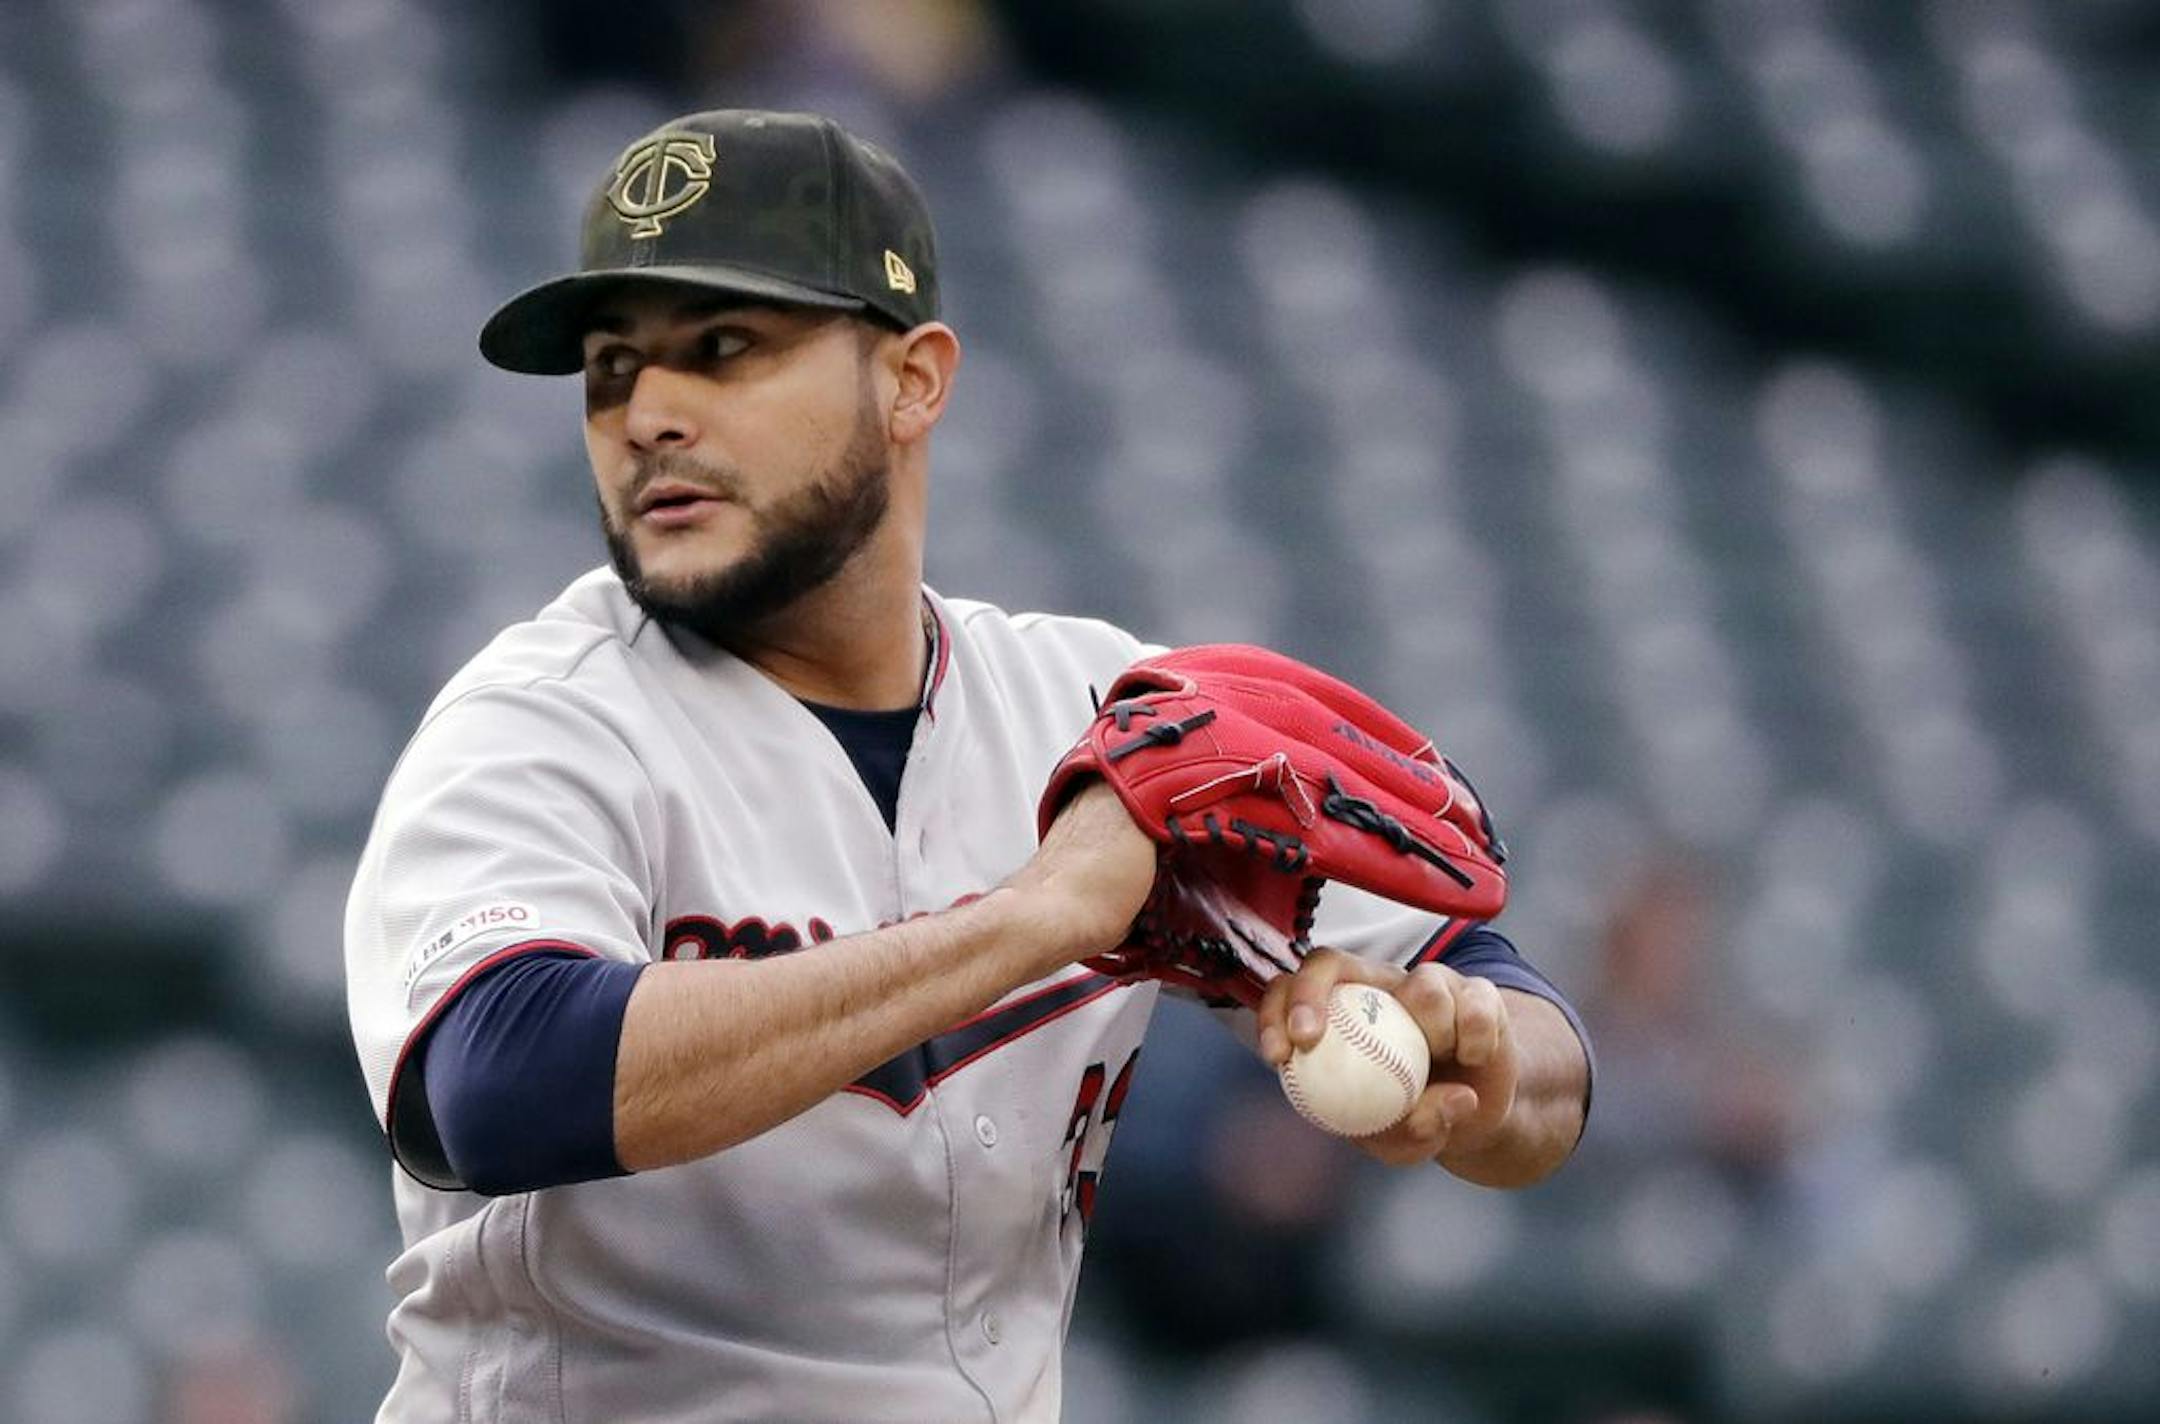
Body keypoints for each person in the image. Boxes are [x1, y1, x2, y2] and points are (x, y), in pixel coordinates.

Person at [344, 108, 1593, 1423]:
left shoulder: (1109, 715)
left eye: (722, 348)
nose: (648, 414)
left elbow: (1519, 1026)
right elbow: (493, 1084)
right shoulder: (543, 720)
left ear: (915, 381)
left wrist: (1487, 1064)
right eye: (611, 368)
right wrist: (1037, 918)